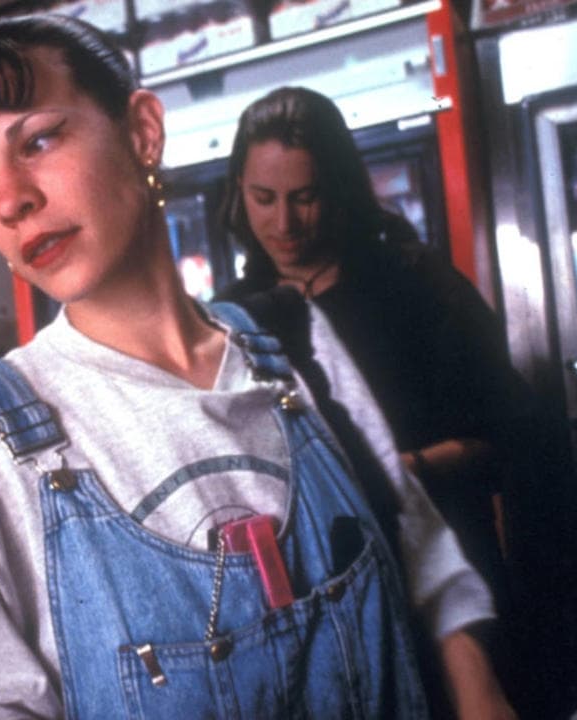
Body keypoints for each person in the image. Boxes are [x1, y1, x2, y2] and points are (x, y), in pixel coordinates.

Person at [0, 15, 514, 719]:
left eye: (39, 141)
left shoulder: (290, 339)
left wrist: (481, 692)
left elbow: (421, 553)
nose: (11, 201)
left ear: (142, 131)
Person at [214, 86, 532, 712]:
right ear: (238, 195)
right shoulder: (231, 319)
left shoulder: (418, 285)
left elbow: (513, 432)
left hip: (456, 592)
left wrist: (399, 472)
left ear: (339, 189)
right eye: (264, 198)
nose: (284, 223)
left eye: (305, 197)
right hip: (327, 611)